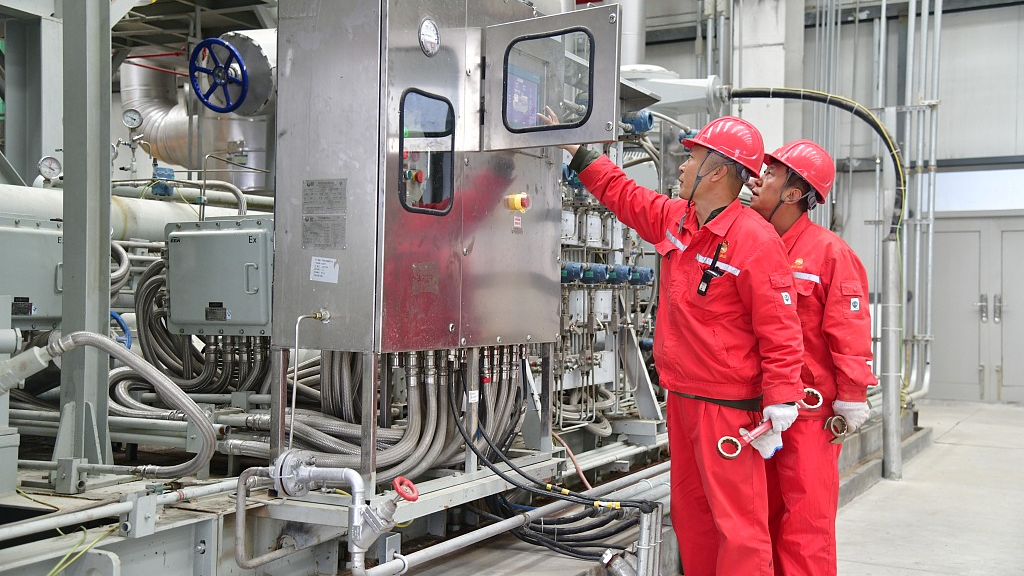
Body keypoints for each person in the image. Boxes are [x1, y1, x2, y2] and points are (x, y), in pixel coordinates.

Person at [540, 109, 806, 576]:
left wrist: (780, 402)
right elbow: (624, 195)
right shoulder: (678, 221)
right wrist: (578, 151)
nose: (682, 167)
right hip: (681, 400)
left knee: (739, 529)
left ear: (718, 171)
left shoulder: (755, 241)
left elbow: (781, 330)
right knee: (693, 520)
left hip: (731, 410)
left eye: (693, 157)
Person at [748, 139, 875, 576]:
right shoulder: (749, 242)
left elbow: (850, 330)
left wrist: (852, 396)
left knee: (805, 524)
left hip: (809, 417)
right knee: (756, 523)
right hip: (757, 411)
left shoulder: (830, 253)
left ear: (792, 193)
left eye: (772, 172)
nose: (757, 178)